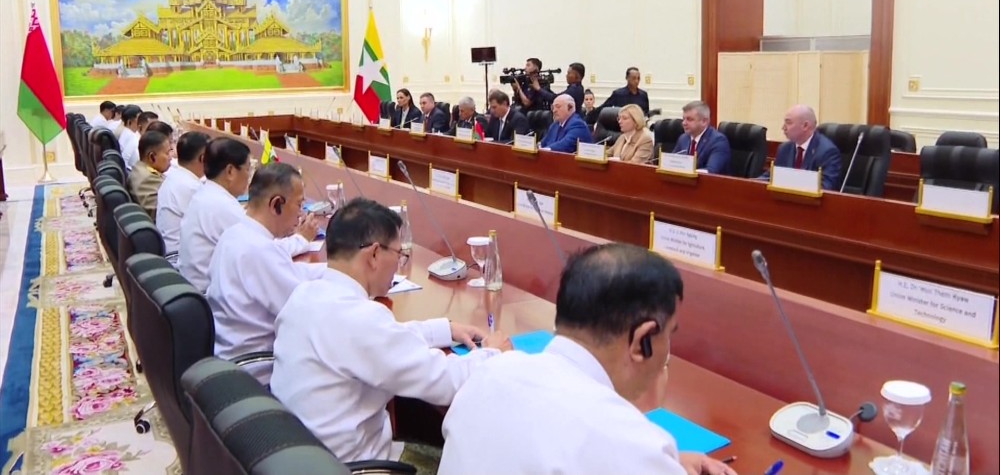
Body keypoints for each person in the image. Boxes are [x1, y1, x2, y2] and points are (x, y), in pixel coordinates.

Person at [439, 244, 736, 475]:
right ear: (642, 341)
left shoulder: (489, 372)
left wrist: (667, 463)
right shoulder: (632, 443)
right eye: (668, 335)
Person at [270, 198, 511, 462]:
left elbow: (383, 338)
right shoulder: (361, 320)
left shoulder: (305, 295)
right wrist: (492, 353)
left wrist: (443, 329)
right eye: (399, 255)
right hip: (354, 466)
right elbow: (445, 381)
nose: (398, 265)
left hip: (300, 457)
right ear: (374, 254)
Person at [207, 163, 332, 383]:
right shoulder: (258, 250)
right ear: (276, 204)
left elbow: (290, 271)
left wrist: (335, 272)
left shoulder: (236, 234)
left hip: (230, 355)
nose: (301, 214)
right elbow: (306, 312)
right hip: (256, 370)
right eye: (299, 205)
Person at [178, 138, 319, 292]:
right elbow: (271, 256)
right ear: (230, 171)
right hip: (202, 291)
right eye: (248, 169)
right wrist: (301, 238)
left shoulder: (209, 196)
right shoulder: (222, 207)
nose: (300, 213)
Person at [156, 131, 210, 264]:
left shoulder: (175, 177)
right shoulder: (192, 188)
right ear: (203, 158)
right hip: (177, 259)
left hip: (170, 251)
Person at [760, 104, 841, 190]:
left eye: (788, 123)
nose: (783, 127)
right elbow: (770, 177)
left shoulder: (827, 152)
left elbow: (826, 187)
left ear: (805, 126)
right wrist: (752, 183)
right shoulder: (784, 149)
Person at [673, 101, 731, 175]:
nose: (684, 123)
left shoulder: (718, 141)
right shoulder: (683, 138)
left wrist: (686, 172)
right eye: (683, 119)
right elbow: (672, 163)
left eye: (689, 119)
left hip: (711, 182)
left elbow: (711, 171)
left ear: (704, 121)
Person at [127, 131, 172, 219]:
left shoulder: (140, 168)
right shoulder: (148, 180)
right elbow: (164, 214)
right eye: (167, 153)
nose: (170, 158)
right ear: (152, 157)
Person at [118, 105, 143, 171]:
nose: (141, 121)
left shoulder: (132, 133)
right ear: (130, 121)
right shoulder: (131, 137)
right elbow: (124, 159)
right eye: (139, 119)